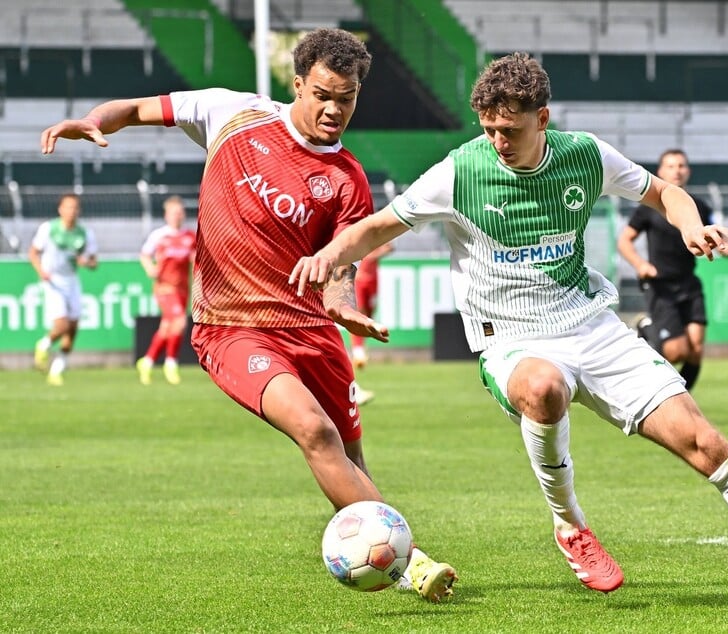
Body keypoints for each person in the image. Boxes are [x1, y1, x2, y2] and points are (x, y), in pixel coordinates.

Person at [292, 52, 728, 606]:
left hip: (591, 325)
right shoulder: (459, 172)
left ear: (542, 118)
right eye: (489, 128)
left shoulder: (584, 154)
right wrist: (329, 259)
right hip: (511, 339)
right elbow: (374, 228)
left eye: (511, 129)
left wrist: (689, 226)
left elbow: (664, 192)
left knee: (705, 444)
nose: (498, 141)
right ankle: (572, 527)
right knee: (544, 388)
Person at [39, 27, 455, 602]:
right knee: (314, 429)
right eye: (324, 95)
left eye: (348, 98)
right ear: (298, 82)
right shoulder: (231, 113)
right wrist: (96, 120)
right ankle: (410, 563)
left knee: (350, 452)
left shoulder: (348, 180)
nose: (335, 110)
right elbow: (136, 108)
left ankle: (390, 554)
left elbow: (339, 271)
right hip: (231, 327)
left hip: (313, 330)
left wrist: (344, 308)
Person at [616, 149, 712, 391]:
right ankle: (645, 328)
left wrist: (722, 247)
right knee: (677, 350)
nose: (676, 170)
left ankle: (682, 400)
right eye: (670, 166)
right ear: (660, 171)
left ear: (688, 171)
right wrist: (641, 265)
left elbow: (706, 234)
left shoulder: (698, 206)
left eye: (681, 165)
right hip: (660, 284)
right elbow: (624, 240)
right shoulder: (649, 207)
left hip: (689, 282)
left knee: (696, 349)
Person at [29, 193, 98, 386]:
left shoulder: (85, 233)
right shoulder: (48, 229)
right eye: (68, 207)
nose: (71, 211)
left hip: (71, 281)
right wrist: (41, 271)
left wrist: (87, 262)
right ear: (60, 209)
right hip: (53, 281)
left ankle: (57, 370)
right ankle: (43, 345)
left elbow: (93, 261)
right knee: (62, 325)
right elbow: (33, 253)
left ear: (79, 210)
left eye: (75, 207)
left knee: (73, 329)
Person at [136, 195, 197, 386]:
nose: (177, 216)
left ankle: (146, 362)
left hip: (182, 289)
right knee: (179, 323)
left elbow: (195, 260)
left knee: (166, 328)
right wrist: (149, 268)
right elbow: (145, 255)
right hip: (164, 288)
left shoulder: (190, 236)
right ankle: (171, 363)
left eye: (180, 212)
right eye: (173, 213)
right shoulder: (159, 235)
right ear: (166, 215)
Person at [350, 239, 394, 406]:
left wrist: (382, 249)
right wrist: (379, 253)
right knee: (360, 314)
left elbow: (389, 247)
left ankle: (361, 351)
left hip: (373, 280)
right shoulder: (360, 232)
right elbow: (366, 256)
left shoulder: (377, 232)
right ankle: (358, 351)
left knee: (369, 316)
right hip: (360, 280)